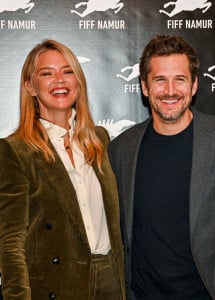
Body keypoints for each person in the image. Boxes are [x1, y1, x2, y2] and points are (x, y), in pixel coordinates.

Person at [108, 35, 215, 300]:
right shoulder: (121, 149)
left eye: (179, 79)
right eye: (160, 79)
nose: (170, 90)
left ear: (194, 85)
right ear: (145, 87)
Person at [0, 40, 125, 300]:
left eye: (68, 71)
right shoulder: (15, 150)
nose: (60, 80)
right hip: (55, 284)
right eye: (47, 73)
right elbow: (10, 242)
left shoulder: (100, 140)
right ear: (30, 86)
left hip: (110, 281)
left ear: (78, 81)